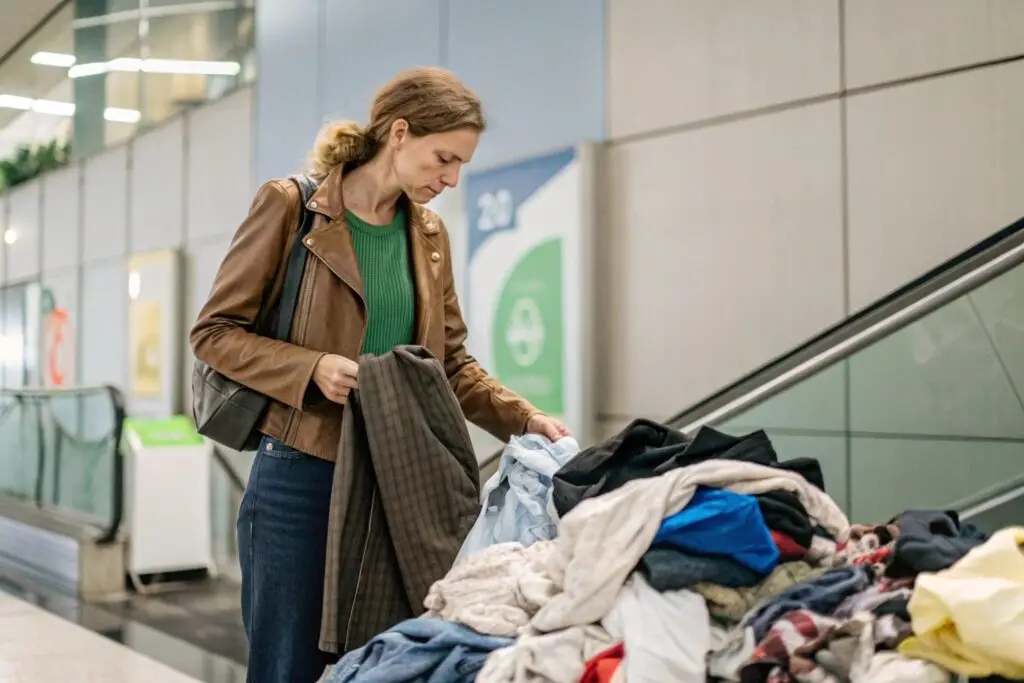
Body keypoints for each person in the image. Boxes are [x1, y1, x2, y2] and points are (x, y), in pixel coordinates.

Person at [189, 66, 569, 683]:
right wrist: (309, 367)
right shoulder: (293, 207)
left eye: (460, 166)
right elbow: (213, 334)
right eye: (443, 158)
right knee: (287, 664)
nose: (450, 179)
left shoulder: (428, 233)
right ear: (398, 133)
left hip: (398, 476)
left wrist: (524, 418)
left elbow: (448, 363)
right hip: (301, 473)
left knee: (384, 662)